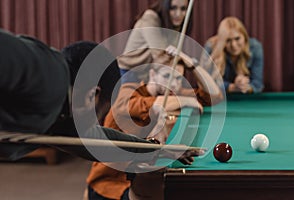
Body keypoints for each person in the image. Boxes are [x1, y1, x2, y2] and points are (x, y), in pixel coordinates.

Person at [0, 29, 201, 163]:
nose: (94, 123)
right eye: (100, 113)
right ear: (91, 96)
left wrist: (157, 150)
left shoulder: (61, 117)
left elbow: (101, 142)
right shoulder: (49, 72)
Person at [86, 56, 223, 199]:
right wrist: (184, 100)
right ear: (152, 74)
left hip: (139, 180)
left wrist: (194, 64)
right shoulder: (128, 90)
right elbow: (138, 105)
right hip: (110, 184)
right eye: (167, 75)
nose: (173, 85)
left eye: (178, 79)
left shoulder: (169, 93)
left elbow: (213, 96)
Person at [117, 0, 193, 84]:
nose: (178, 14)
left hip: (150, 74)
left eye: (183, 9)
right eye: (173, 8)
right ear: (165, 6)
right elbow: (160, 55)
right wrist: (188, 61)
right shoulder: (150, 17)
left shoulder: (176, 25)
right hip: (129, 71)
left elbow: (172, 57)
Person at [204, 16, 264, 93]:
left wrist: (244, 86)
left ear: (245, 37)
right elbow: (205, 83)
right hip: (218, 100)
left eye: (237, 38)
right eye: (228, 40)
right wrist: (231, 87)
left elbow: (257, 84)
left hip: (245, 99)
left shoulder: (255, 47)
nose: (233, 45)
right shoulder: (211, 47)